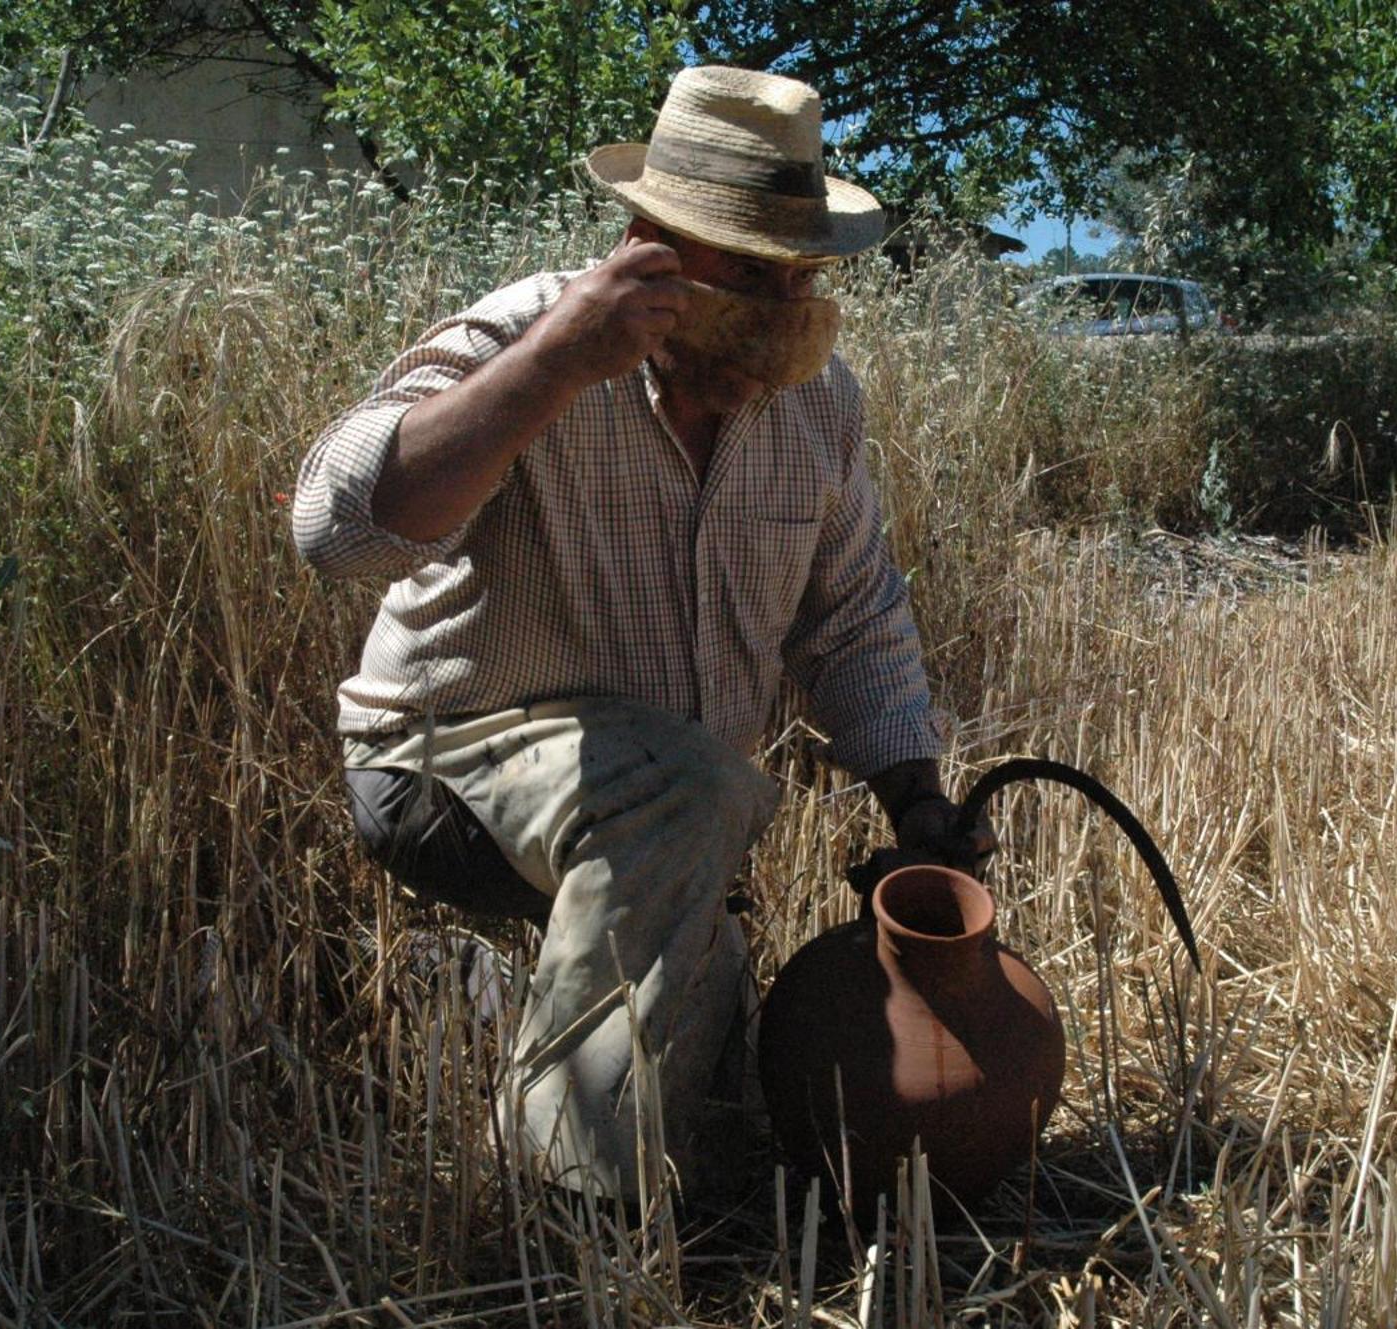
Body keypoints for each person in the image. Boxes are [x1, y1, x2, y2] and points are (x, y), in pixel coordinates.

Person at [291, 65, 987, 1199]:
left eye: (798, 265)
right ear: (646, 240)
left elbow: (852, 620)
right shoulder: (528, 336)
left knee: (722, 1118)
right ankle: (571, 1227)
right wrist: (556, 363)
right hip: (438, 764)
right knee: (683, 807)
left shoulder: (818, 404)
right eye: (748, 265)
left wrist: (915, 798)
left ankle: (475, 1006)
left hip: (656, 799)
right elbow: (335, 529)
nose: (785, 294)